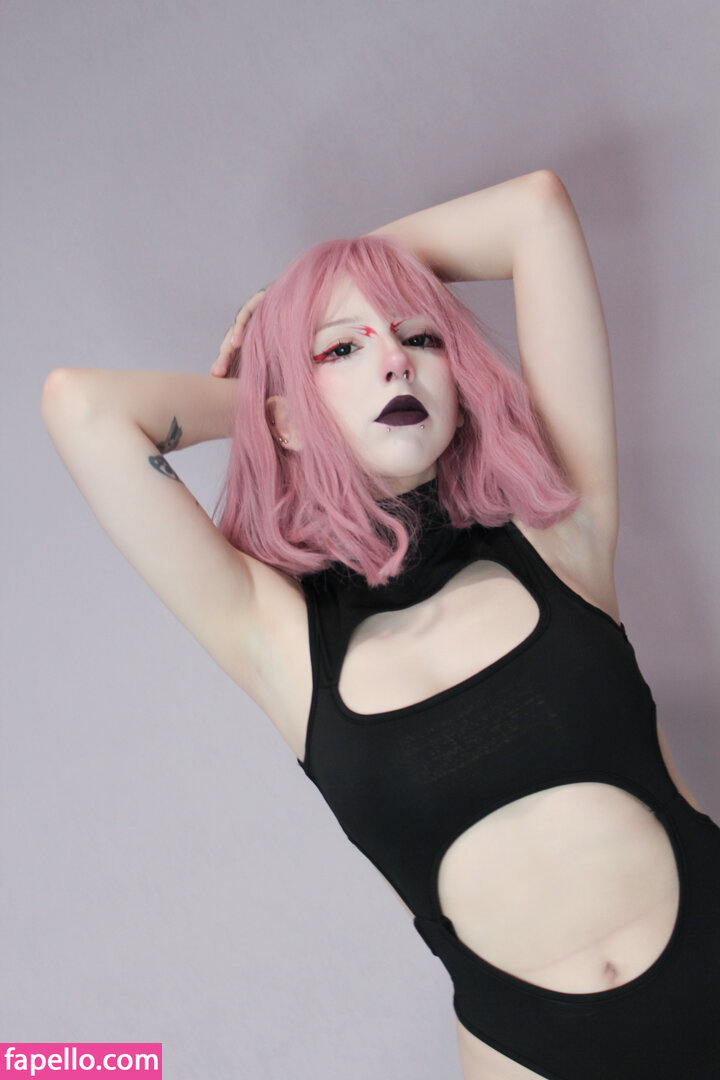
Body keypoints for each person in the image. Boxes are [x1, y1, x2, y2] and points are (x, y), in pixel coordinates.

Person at [42, 170, 720, 1080]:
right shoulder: (280, 642)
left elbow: (534, 211)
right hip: (531, 1056)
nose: (395, 361)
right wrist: (278, 379)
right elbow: (82, 407)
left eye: (419, 336)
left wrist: (323, 300)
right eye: (344, 350)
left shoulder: (561, 534)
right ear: (285, 418)